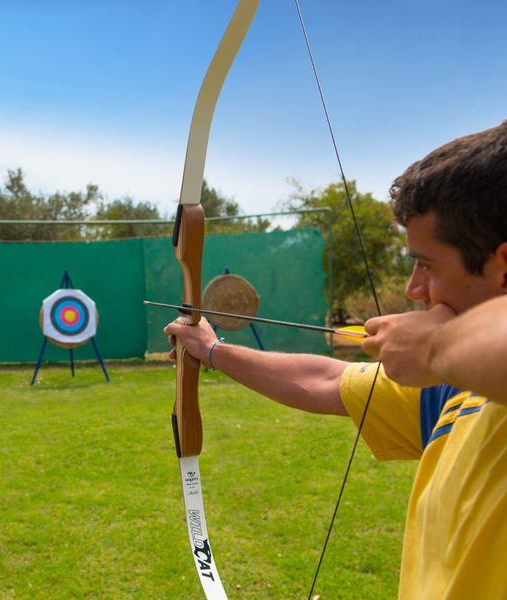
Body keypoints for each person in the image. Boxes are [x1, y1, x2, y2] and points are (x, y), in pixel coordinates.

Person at [164, 120, 507, 599]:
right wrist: (213, 350)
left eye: (426, 265)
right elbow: (329, 380)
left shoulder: (452, 363)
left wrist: (435, 345)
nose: (413, 289)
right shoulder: (454, 387)